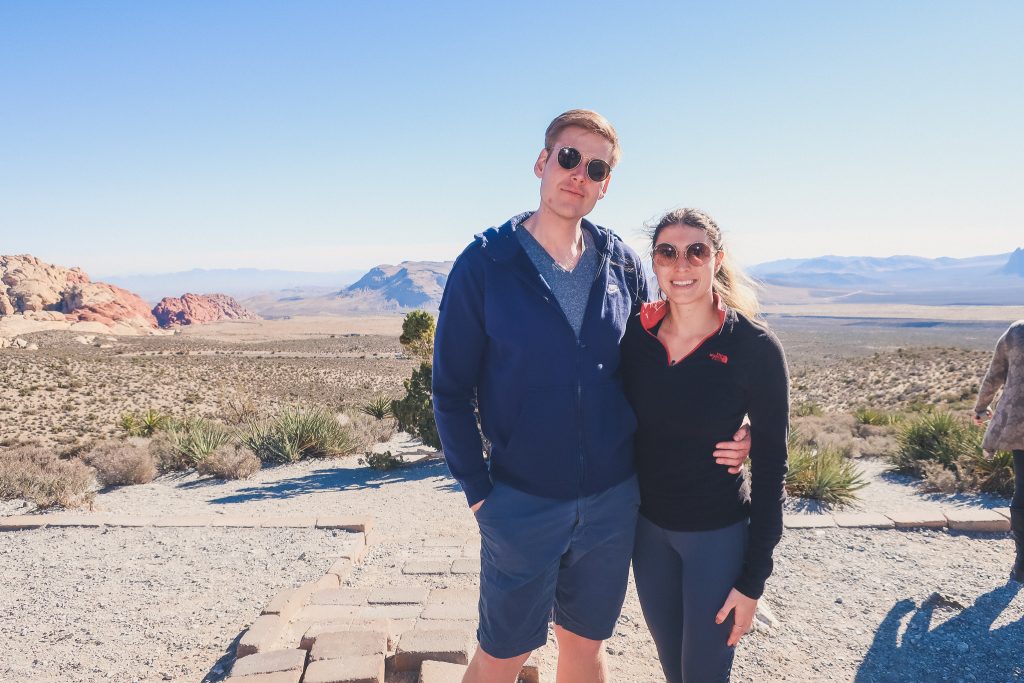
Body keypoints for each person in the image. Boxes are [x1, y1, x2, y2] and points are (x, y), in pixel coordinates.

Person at [432, 111, 751, 683]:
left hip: (610, 501)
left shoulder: (620, 263)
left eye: (596, 167)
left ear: (606, 185)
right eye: (569, 158)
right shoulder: (485, 264)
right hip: (521, 499)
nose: (579, 174)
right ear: (542, 162)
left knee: (584, 650)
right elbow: (450, 390)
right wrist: (480, 492)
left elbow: (672, 353)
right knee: (502, 655)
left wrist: (735, 415)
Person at [620, 208, 789, 682]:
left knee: (704, 674)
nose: (682, 264)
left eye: (696, 251)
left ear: (717, 259)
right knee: (675, 670)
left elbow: (774, 468)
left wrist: (753, 580)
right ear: (654, 263)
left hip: (716, 538)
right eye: (667, 252)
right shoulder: (635, 337)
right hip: (648, 535)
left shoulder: (753, 347)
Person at [973, 319, 1024, 582]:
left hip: (1020, 426)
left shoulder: (1017, 332)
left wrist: (981, 408)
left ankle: (1023, 562)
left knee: (1023, 493)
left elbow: (995, 374)